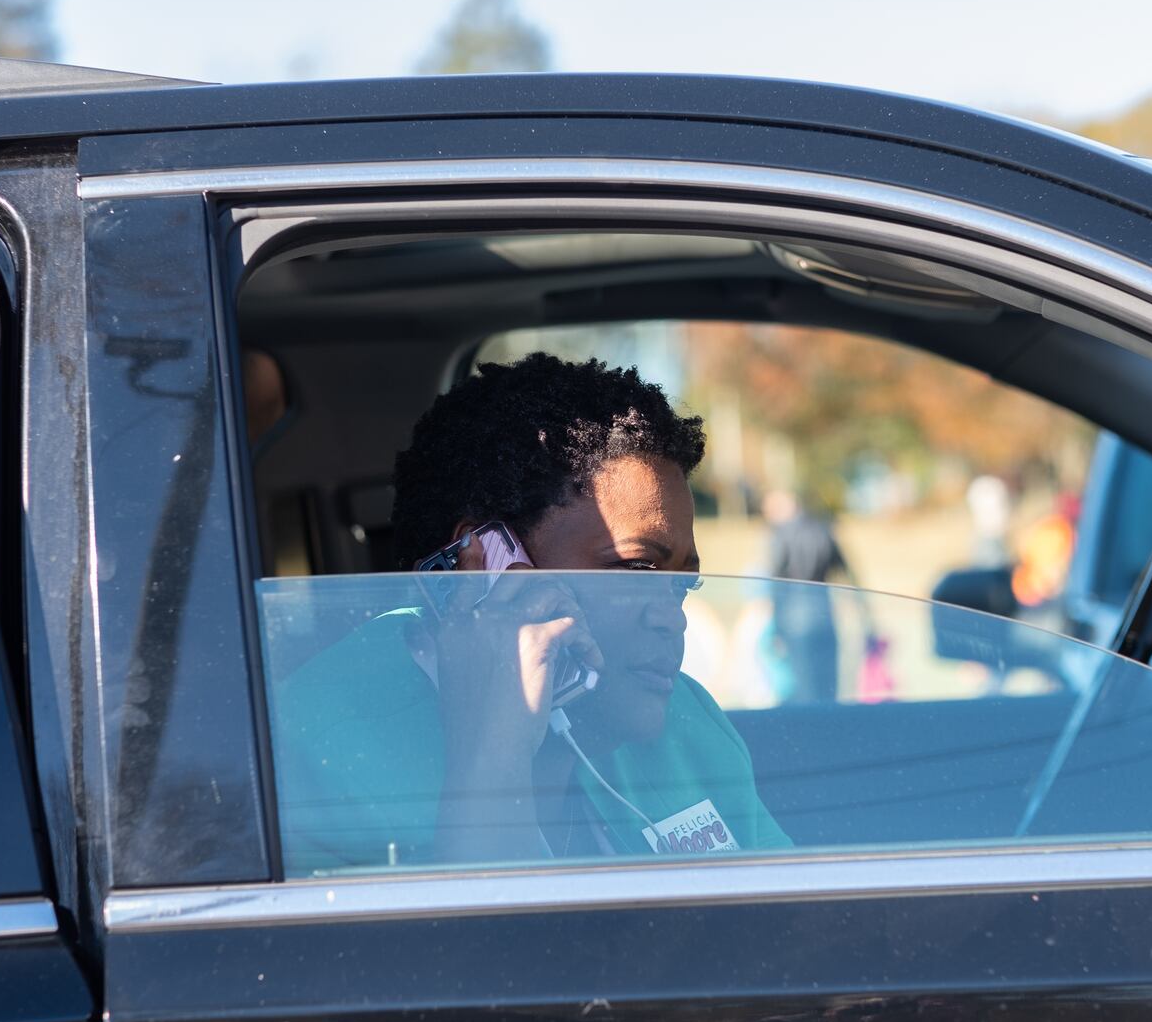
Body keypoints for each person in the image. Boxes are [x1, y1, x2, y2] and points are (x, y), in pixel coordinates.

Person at [271, 353, 790, 873]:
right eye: (635, 572)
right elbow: (473, 951)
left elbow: (797, 926)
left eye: (681, 585)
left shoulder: (687, 722)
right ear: (484, 570)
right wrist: (492, 753)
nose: (672, 619)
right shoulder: (308, 757)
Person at [763, 489, 850, 703]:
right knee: (828, 684)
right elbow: (846, 572)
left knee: (803, 685)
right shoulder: (823, 529)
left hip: (794, 617)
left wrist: (776, 626)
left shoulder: (781, 535)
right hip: (824, 613)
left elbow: (776, 583)